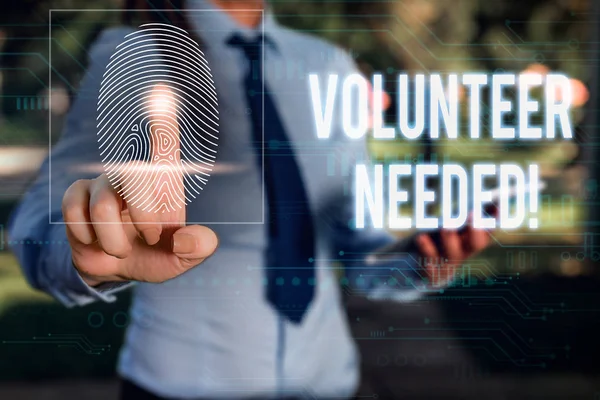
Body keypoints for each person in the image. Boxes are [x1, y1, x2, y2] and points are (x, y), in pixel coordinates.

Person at [8, 0, 491, 398]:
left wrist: (418, 261)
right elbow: (35, 226)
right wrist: (88, 255)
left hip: (328, 383)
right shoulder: (138, 55)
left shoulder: (329, 66)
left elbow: (358, 251)